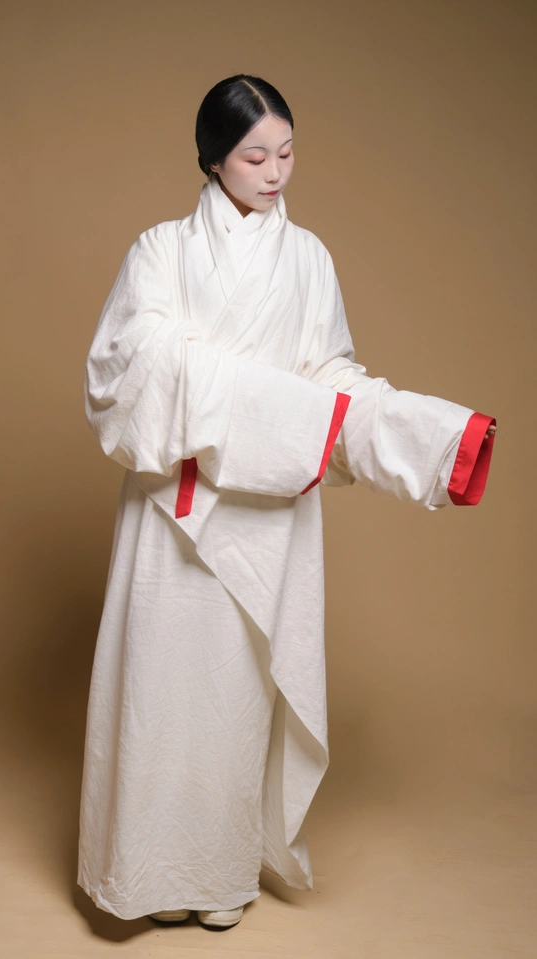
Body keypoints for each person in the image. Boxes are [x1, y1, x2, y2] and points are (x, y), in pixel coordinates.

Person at [77, 74, 496, 931]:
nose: (275, 172)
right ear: (213, 160)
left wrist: (425, 435)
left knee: (236, 694)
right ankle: (147, 873)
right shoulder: (161, 250)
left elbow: (330, 378)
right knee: (162, 689)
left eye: (288, 152)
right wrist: (265, 403)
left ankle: (219, 873)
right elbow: (130, 363)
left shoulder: (309, 259)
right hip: (175, 509)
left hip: (267, 510)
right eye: (254, 156)